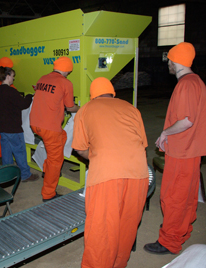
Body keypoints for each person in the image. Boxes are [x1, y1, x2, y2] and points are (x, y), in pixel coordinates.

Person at [72, 77, 149, 268]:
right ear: (112, 92)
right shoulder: (131, 108)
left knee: (101, 229)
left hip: (106, 176)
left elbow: (80, 149)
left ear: (92, 95)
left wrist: (99, 155)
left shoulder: (86, 110)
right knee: (127, 225)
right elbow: (142, 144)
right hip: (138, 173)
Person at [144, 42, 206, 255]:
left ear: (174, 61)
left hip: (181, 152)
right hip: (192, 151)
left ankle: (169, 241)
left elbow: (186, 121)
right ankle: (183, 231)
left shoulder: (186, 85)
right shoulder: (197, 81)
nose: (168, 63)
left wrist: (165, 133)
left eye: (169, 59)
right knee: (187, 197)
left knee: (173, 197)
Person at [29, 56, 79, 202]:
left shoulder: (42, 78)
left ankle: (47, 170)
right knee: (55, 161)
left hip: (35, 124)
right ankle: (48, 194)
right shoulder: (65, 83)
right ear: (68, 70)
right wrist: (82, 108)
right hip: (49, 128)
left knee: (62, 136)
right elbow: (70, 107)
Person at [0, 67, 39, 182]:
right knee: (20, 151)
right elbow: (23, 104)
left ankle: (8, 175)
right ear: (8, 76)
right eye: (13, 76)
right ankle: (25, 174)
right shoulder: (11, 91)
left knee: (6, 151)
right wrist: (30, 96)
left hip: (2, 126)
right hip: (12, 128)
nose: (13, 78)